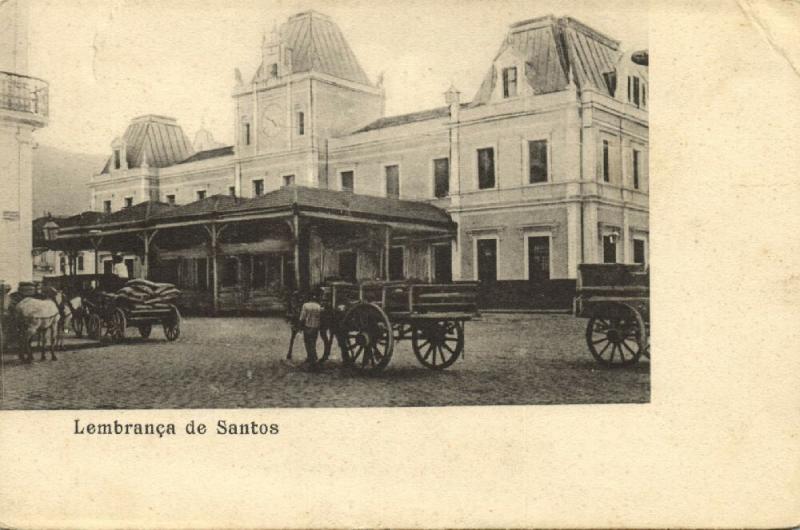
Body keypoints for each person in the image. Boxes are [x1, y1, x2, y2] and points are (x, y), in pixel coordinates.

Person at [298, 289, 322, 368]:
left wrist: (300, 326)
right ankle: (313, 358)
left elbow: (302, 317)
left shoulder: (305, 305)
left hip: (308, 326)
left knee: (308, 343)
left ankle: (312, 360)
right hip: (316, 327)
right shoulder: (318, 306)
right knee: (313, 342)